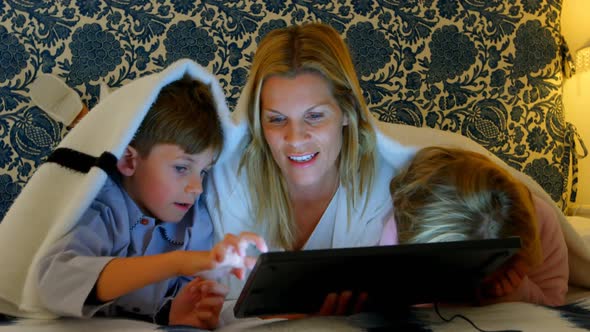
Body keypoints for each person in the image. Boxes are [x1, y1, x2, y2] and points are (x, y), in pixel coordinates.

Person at [205, 22, 415, 308]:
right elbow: (226, 303)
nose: (295, 138)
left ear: (347, 112)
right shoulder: (232, 179)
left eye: (314, 116)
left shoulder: (383, 185)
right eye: (276, 119)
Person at [35, 74, 268, 329]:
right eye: (181, 168)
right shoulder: (103, 206)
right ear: (129, 161)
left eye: (203, 171)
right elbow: (53, 282)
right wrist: (175, 263)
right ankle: (83, 120)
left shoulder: (195, 221)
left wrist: (178, 310)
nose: (197, 187)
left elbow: (173, 299)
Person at [379, 146, 569, 306]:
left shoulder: (538, 221)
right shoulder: (402, 229)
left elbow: (554, 305)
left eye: (495, 264)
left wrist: (518, 293)